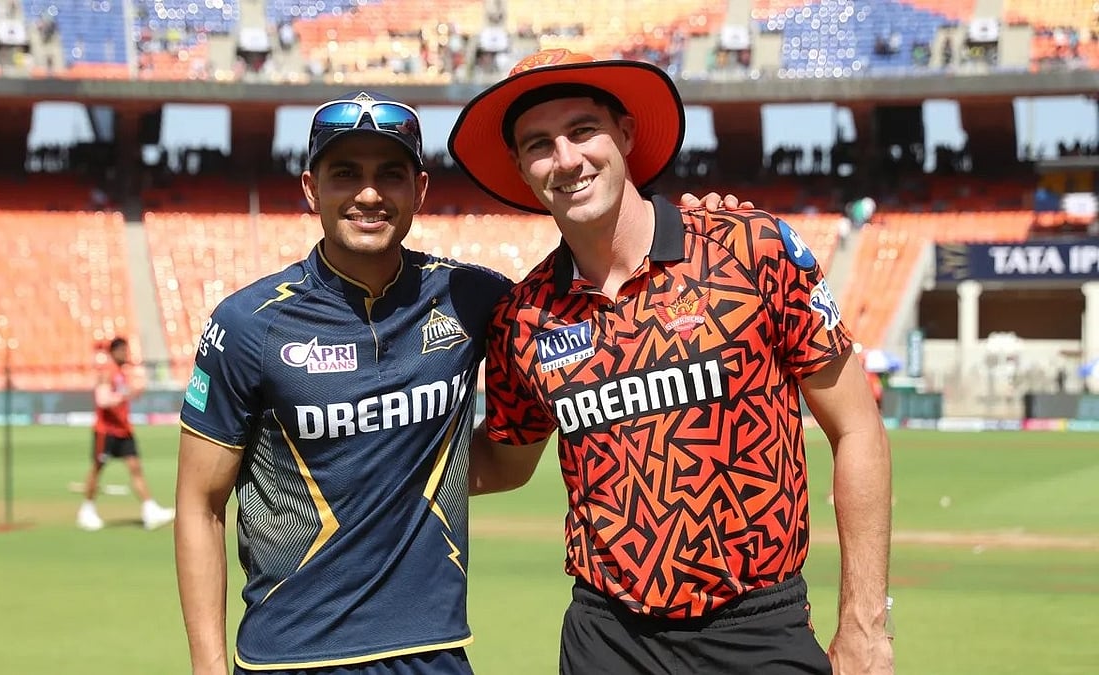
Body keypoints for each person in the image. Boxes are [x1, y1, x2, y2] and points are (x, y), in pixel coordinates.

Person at [174, 90, 751, 675]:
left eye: (391, 175)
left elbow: (520, 442)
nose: (369, 194)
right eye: (345, 173)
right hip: (291, 656)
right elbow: (200, 505)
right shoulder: (248, 324)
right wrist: (208, 665)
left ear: (420, 191)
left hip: (435, 654)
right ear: (310, 189)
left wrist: (697, 233)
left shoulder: (475, 298)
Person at [449, 49, 894, 675]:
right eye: (539, 145)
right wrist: (368, 465)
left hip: (756, 629)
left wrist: (866, 626)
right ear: (523, 169)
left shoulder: (748, 248)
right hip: (606, 637)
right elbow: (504, 461)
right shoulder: (524, 317)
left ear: (625, 133)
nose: (567, 159)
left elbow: (858, 427)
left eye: (582, 131)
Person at [76, 337, 176, 531]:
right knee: (97, 469)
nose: (126, 355)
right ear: (115, 351)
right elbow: (103, 400)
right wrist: (128, 394)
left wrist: (131, 393)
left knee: (135, 468)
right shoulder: (107, 372)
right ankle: (86, 510)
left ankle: (149, 509)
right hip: (106, 431)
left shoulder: (121, 373)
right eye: (123, 351)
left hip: (123, 429)